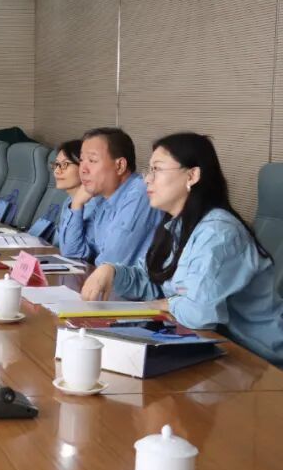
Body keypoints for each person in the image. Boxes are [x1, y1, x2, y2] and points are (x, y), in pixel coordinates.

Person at [80, 133, 283, 365]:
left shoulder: (218, 233)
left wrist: (167, 303)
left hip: (261, 360)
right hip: (217, 349)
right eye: (149, 170)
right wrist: (112, 272)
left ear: (192, 175)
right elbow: (150, 281)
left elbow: (199, 314)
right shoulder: (176, 226)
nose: (147, 179)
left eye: (157, 169)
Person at [61, 127, 162, 264]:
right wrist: (77, 204)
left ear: (120, 166)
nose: (83, 169)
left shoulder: (140, 194)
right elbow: (73, 253)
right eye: (82, 160)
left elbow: (110, 263)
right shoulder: (102, 198)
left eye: (92, 160)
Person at [50, 139, 96, 254]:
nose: (56, 171)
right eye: (56, 164)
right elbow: (59, 244)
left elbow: (74, 254)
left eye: (65, 164)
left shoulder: (95, 206)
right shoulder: (69, 201)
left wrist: (76, 205)